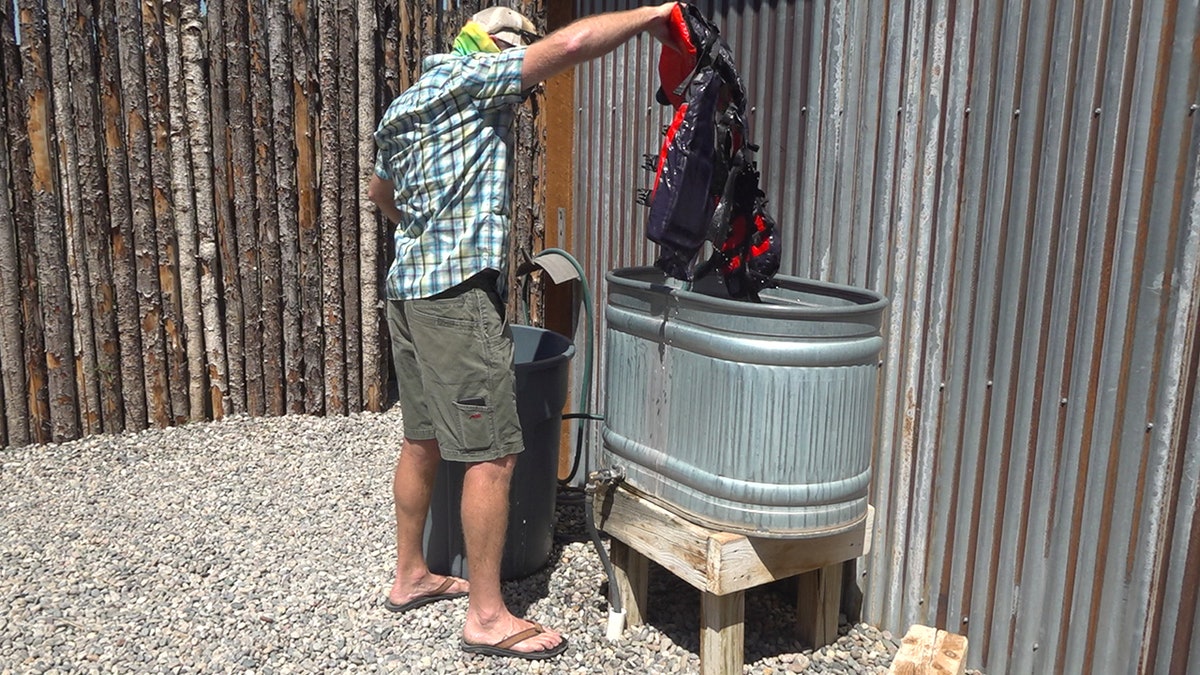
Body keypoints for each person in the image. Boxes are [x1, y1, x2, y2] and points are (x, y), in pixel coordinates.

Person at [367, 2, 679, 661]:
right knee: (494, 452)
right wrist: (652, 16)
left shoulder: (404, 105)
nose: (526, 87)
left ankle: (409, 575)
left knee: (422, 440)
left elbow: (380, 195)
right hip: (457, 295)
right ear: (490, 49)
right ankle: (485, 614)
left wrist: (425, 229)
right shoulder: (477, 78)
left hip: (408, 292)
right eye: (519, 66)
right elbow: (575, 44)